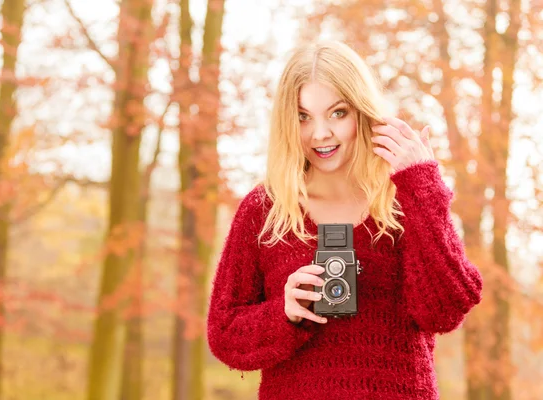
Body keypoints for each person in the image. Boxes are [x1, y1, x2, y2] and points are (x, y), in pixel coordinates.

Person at [206, 40, 483, 399]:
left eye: (338, 113)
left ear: (363, 113)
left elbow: (445, 310)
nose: (320, 133)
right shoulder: (265, 210)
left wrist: (423, 184)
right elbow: (225, 335)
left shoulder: (405, 200)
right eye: (303, 116)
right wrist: (284, 313)